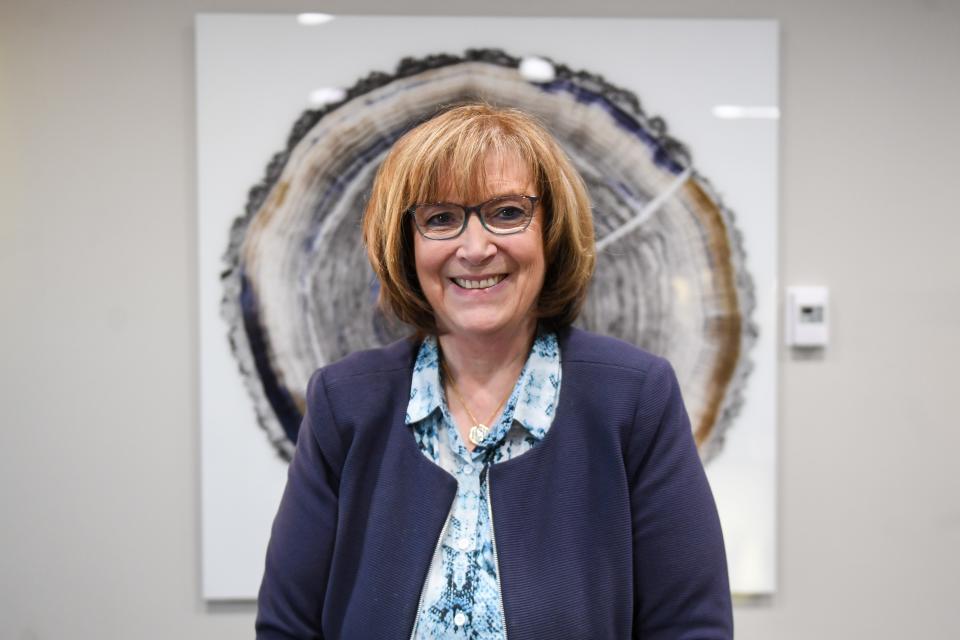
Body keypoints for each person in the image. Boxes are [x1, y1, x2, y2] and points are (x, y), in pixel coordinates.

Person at [256, 104, 733, 639]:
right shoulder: (344, 402)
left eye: (507, 213)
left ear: (549, 231)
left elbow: (691, 627)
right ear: (405, 245)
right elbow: (287, 626)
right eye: (440, 218)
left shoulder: (634, 397)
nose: (476, 248)